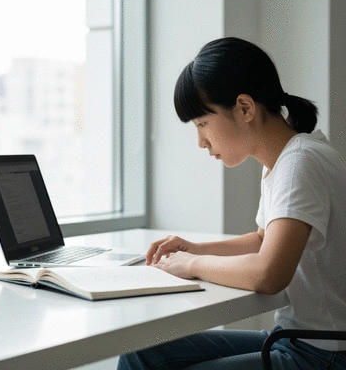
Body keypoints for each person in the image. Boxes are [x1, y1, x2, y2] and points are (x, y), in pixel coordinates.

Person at [117, 37, 346, 369]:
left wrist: (191, 265)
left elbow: (269, 273)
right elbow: (263, 240)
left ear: (245, 108)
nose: (200, 141)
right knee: (143, 352)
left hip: (323, 354)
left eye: (202, 123)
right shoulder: (287, 160)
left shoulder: (300, 163)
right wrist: (194, 248)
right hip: (296, 338)